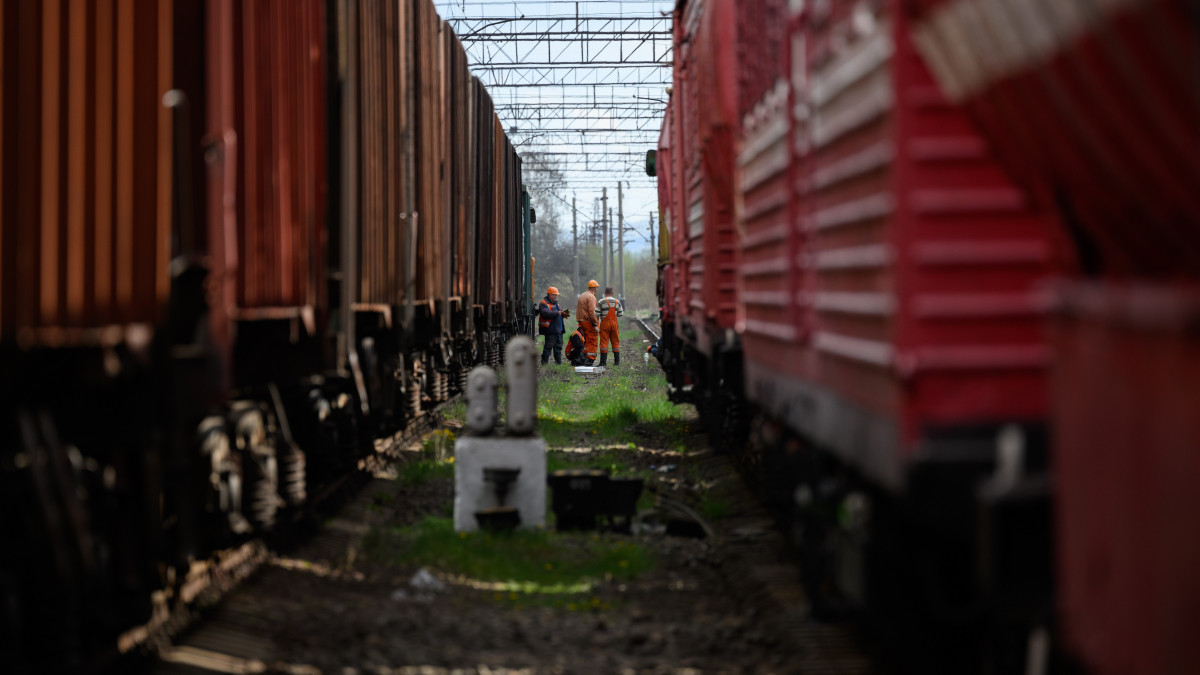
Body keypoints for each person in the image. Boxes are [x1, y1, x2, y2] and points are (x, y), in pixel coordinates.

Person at [537, 287, 570, 365]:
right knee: (548, 347)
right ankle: (544, 364)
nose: (556, 296)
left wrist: (563, 314)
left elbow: (559, 312)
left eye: (556, 295)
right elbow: (545, 314)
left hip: (559, 329)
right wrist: (557, 313)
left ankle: (559, 364)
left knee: (558, 348)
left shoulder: (556, 303)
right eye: (554, 295)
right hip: (550, 330)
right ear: (550, 295)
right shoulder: (543, 303)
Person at [596, 287, 624, 366]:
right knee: (615, 342)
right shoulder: (617, 302)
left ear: (605, 293)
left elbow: (596, 313)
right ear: (612, 293)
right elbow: (620, 314)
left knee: (604, 342)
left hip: (605, 324)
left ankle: (603, 362)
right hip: (614, 324)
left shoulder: (601, 301)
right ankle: (617, 362)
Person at [575, 280, 600, 365]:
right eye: (596, 287)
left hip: (582, 322)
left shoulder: (583, 295)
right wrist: (595, 324)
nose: (597, 289)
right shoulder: (591, 297)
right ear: (595, 288)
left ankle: (580, 360)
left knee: (588, 342)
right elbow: (592, 313)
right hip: (589, 323)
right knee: (593, 341)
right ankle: (590, 361)